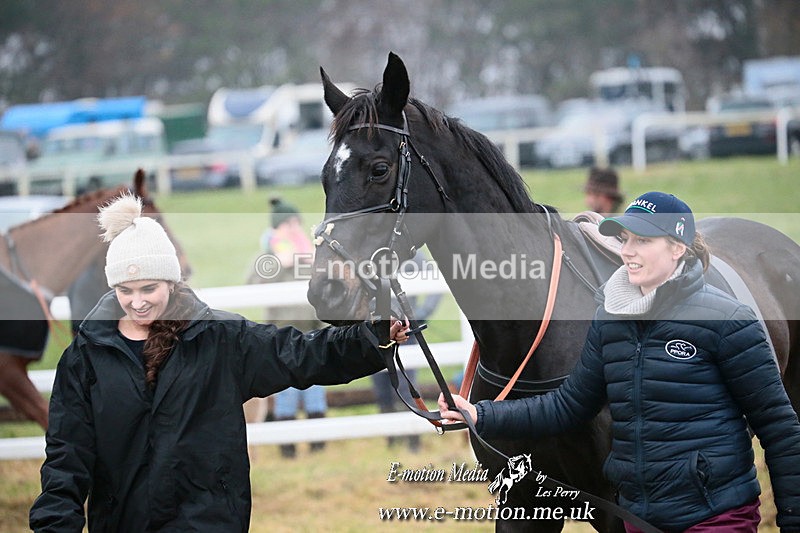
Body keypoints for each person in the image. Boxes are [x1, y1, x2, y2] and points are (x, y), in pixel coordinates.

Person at [29, 193, 408, 531]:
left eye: (149, 288)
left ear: (171, 282)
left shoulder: (221, 339)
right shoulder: (84, 359)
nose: (137, 301)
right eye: (125, 291)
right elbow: (67, 455)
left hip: (207, 520)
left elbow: (303, 355)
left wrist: (371, 337)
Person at [439, 191, 800, 532]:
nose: (628, 251)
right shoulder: (610, 320)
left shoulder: (729, 321)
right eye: (625, 239)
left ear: (677, 248)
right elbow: (567, 406)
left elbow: (779, 429)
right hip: (638, 518)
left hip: (715, 516)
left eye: (643, 241)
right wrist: (479, 414)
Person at [260, 198, 328, 458]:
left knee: (314, 387)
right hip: (280, 335)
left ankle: (318, 445)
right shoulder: (268, 257)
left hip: (311, 331)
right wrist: (278, 262)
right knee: (285, 390)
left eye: (296, 222)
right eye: (287, 223)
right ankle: (287, 446)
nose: (293, 228)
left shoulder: (309, 253)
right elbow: (255, 285)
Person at [370, 249, 442, 453]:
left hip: (405, 330)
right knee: (381, 387)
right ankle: (391, 440)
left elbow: (434, 284)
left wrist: (421, 314)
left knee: (406, 386)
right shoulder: (371, 250)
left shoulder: (412, 254)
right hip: (376, 329)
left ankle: (413, 440)